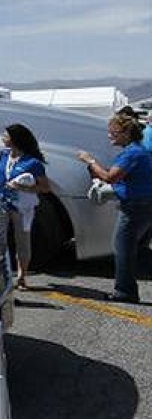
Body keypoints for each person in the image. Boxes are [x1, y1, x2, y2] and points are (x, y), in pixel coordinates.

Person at [78, 112, 152, 303]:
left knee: (123, 249)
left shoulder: (132, 153)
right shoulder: (139, 151)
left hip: (135, 207)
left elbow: (110, 176)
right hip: (142, 205)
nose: (110, 135)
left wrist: (90, 161)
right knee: (136, 249)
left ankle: (125, 292)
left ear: (126, 134)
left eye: (114, 132)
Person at [0, 124, 50, 290]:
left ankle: (22, 276)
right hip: (2, 202)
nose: (2, 138)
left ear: (15, 139)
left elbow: (45, 188)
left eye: (6, 135)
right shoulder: (2, 155)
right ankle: (2, 275)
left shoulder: (33, 163)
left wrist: (23, 187)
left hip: (22, 206)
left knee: (22, 240)